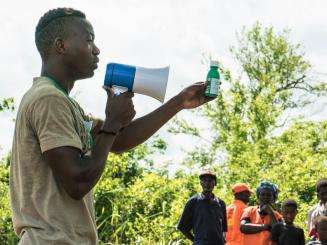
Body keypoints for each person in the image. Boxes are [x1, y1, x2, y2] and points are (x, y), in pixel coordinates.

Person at [9, 8, 214, 244]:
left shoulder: (65, 104)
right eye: (89, 40)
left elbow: (118, 140)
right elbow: (78, 181)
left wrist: (179, 102)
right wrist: (113, 122)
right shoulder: (48, 99)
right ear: (61, 45)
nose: (97, 49)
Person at [177, 169, 227, 245]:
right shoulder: (193, 201)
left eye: (210, 181)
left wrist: (222, 241)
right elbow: (182, 227)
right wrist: (196, 241)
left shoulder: (221, 203)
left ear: (215, 183)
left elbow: (224, 228)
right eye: (204, 180)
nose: (207, 183)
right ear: (201, 183)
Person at [240, 181, 283, 245]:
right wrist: (265, 227)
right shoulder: (250, 211)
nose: (265, 197)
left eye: (269, 195)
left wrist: (271, 212)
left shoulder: (277, 216)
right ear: (258, 197)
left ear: (273, 198)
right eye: (262, 194)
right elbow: (243, 227)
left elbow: (278, 234)